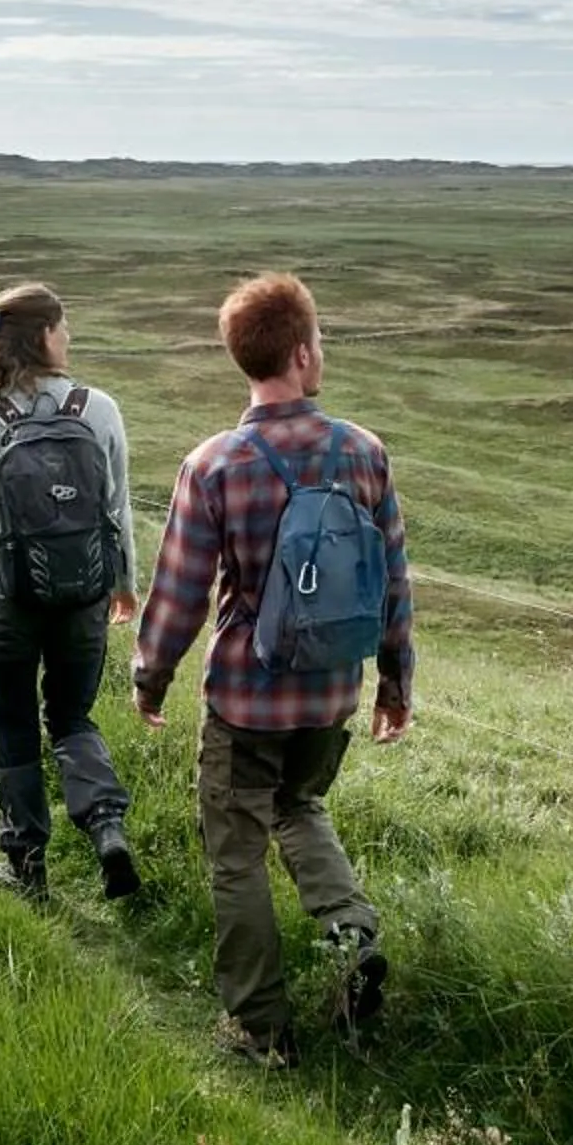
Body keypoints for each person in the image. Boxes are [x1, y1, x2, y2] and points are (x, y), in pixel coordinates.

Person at [133, 271, 413, 1066]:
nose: (320, 354)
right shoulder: (365, 452)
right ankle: (353, 941)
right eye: (318, 342)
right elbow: (393, 581)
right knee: (302, 805)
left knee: (237, 854)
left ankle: (261, 1032)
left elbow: (181, 593)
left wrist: (149, 679)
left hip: (245, 706)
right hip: (331, 694)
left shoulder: (214, 464)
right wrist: (395, 687)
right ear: (299, 353)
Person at [0, 282, 142, 902]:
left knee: (16, 725)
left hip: (6, 599)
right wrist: (126, 583)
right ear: (44, 336)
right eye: (63, 326)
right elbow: (117, 509)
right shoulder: (98, 408)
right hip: (82, 595)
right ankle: (106, 827)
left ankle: (26, 869)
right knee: (74, 717)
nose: (70, 336)